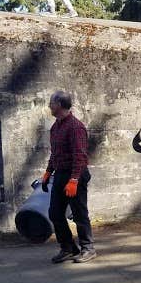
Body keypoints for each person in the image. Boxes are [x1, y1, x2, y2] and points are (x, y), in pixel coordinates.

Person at [41, 90, 96, 264]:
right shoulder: (56, 127)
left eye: (51, 103)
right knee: (55, 213)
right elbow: (55, 153)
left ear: (59, 105)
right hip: (60, 174)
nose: (49, 106)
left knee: (79, 214)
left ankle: (88, 248)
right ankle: (68, 248)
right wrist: (49, 171)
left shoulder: (75, 127)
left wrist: (74, 179)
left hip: (76, 175)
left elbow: (80, 156)